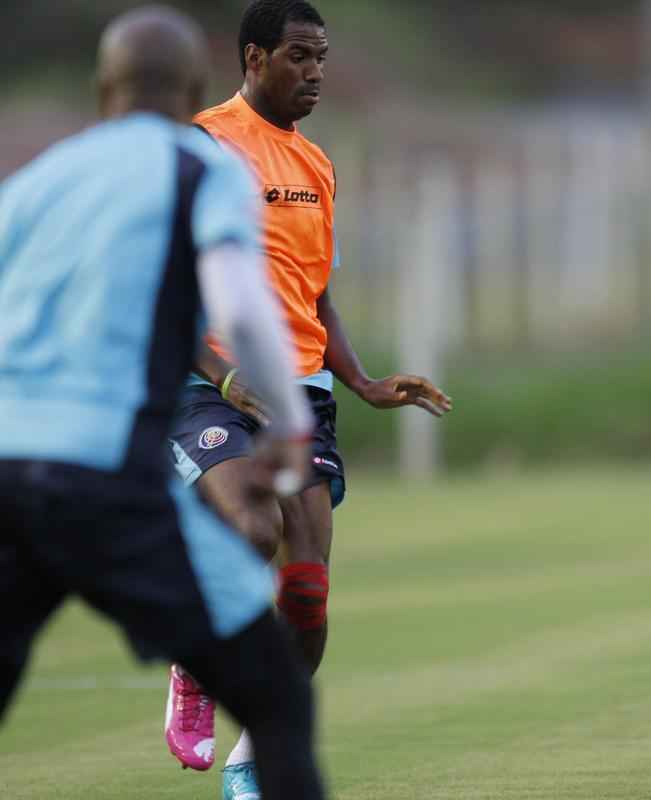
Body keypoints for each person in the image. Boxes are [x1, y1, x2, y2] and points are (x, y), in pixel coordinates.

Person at [0, 6, 326, 800]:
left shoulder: (34, 184)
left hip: (8, 471)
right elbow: (242, 309)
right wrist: (285, 419)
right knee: (276, 702)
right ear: (190, 92)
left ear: (101, 87)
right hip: (107, 479)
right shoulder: (198, 162)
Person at [159, 1, 453, 796]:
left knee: (307, 593)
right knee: (249, 530)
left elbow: (315, 292)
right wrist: (224, 376)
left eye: (321, 55)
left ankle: (252, 757)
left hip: (302, 392)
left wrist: (361, 380)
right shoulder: (203, 141)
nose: (315, 71)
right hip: (208, 382)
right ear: (254, 58)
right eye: (298, 55)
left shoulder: (317, 164)